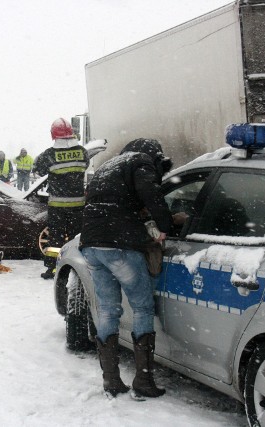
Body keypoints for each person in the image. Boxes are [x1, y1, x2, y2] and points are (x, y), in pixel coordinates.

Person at [80, 138, 185, 400]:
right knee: (142, 307)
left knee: (107, 309)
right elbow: (151, 194)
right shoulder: (141, 162)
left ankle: (112, 380)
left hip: (91, 245)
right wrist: (165, 226)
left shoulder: (108, 166)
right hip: (120, 245)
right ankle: (144, 380)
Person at [33, 118, 89, 279]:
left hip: (57, 205)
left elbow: (37, 170)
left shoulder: (50, 154)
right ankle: (77, 269)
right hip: (78, 204)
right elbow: (84, 165)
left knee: (55, 239)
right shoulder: (82, 152)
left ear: (53, 135)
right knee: (76, 238)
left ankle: (53, 268)